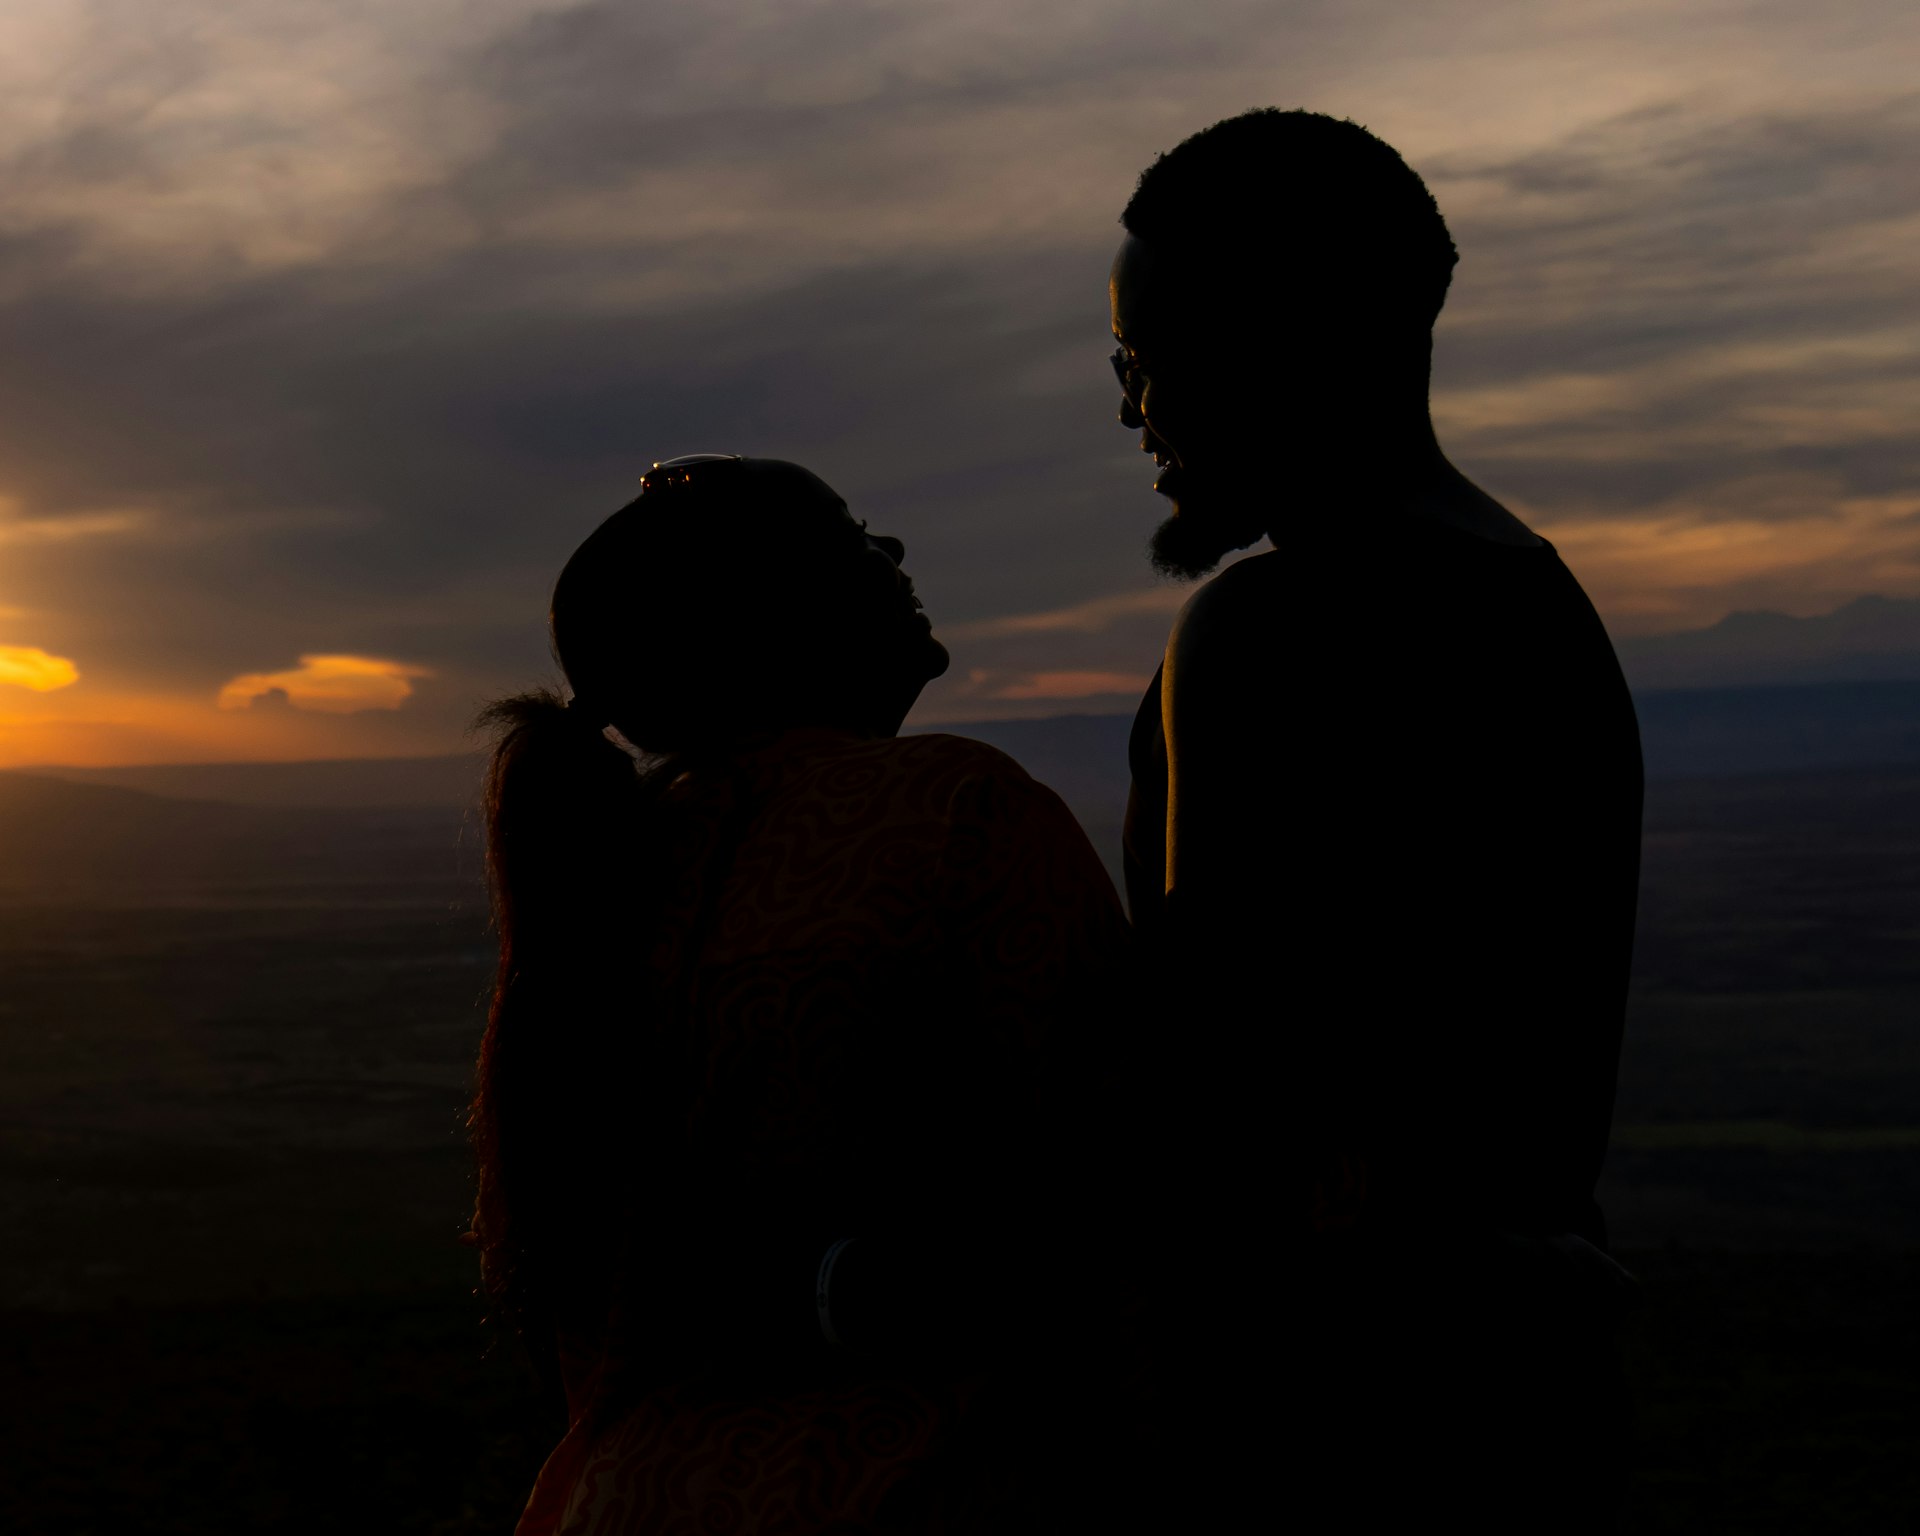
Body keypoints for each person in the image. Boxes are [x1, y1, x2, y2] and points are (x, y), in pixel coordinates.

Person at [1107, 112, 1644, 1525]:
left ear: (1283, 343)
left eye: (1148, 361)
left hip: (1326, 1395)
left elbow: (1209, 1062)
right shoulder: (1535, 597)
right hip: (1524, 1386)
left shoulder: (1269, 626)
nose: (1132, 411)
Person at [467, 456, 1140, 1535]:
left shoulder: (604, 874)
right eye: (856, 538)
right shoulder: (959, 807)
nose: (895, 554)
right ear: (773, 614)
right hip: (928, 1480)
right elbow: (1112, 1198)